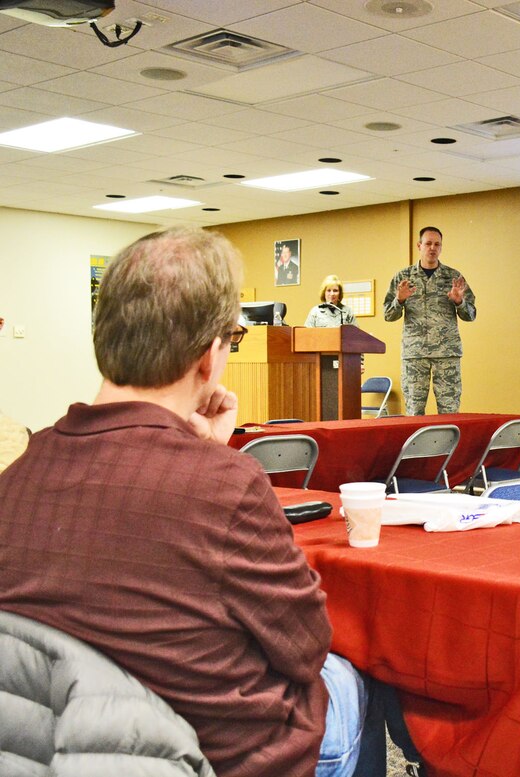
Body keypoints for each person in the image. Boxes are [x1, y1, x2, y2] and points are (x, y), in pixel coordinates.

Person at [0, 228, 375, 777]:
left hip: (65, 750)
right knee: (351, 677)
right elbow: (306, 647)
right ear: (209, 355)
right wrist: (214, 462)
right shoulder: (229, 488)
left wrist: (205, 455)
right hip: (218, 756)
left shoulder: (17, 477)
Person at [383, 226, 476, 415]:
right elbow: (388, 315)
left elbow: (471, 314)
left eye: (437, 244)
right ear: (419, 245)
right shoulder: (403, 277)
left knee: (449, 410)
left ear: (441, 247)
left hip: (446, 353)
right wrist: (399, 299)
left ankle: (450, 445)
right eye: (428, 243)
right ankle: (416, 446)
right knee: (414, 411)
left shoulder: (453, 277)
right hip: (415, 354)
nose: (432, 248)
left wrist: (459, 301)